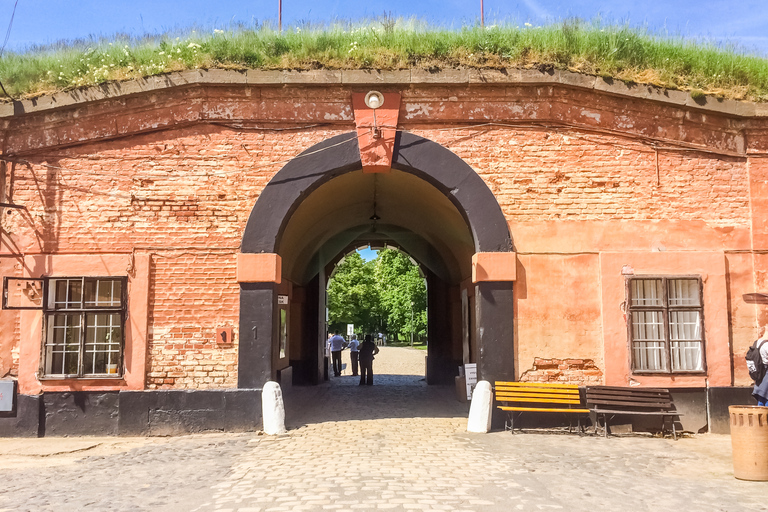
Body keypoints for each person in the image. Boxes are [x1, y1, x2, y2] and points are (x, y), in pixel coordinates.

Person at [752, 325, 768, 406]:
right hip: (766, 372)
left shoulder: (757, 342)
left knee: (762, 396)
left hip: (759, 372)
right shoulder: (766, 345)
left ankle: (760, 416)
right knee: (766, 396)